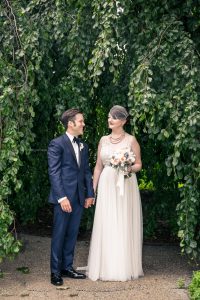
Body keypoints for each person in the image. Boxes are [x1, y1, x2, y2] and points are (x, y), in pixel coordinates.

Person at [87, 105, 143, 281]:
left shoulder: (131, 140)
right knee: (107, 220)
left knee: (123, 221)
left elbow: (139, 164)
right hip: (106, 184)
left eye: (114, 117)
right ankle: (105, 265)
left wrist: (126, 167)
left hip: (125, 184)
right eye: (109, 117)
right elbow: (98, 166)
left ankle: (124, 266)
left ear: (123, 121)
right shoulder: (103, 140)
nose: (110, 120)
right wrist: (93, 188)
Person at [48, 108, 95, 286]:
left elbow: (85, 172)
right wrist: (62, 198)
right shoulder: (56, 144)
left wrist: (89, 194)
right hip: (63, 199)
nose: (83, 124)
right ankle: (55, 272)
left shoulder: (83, 145)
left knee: (72, 234)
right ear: (71, 123)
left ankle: (67, 267)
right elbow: (54, 172)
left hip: (78, 197)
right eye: (81, 121)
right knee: (59, 234)